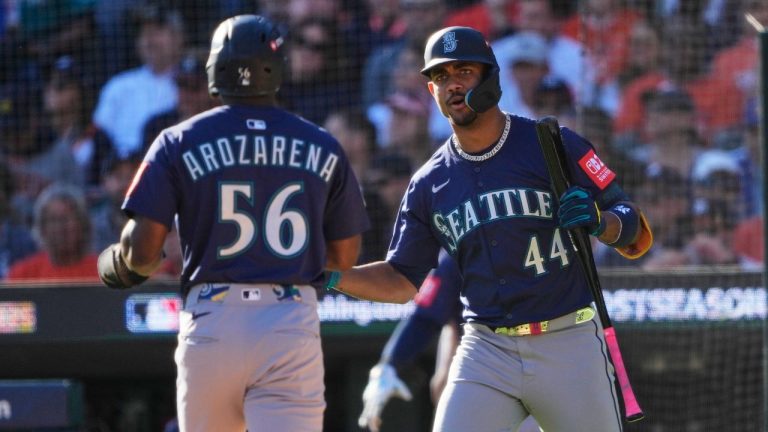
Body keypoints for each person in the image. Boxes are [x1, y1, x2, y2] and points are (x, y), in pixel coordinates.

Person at [318, 26, 653, 431]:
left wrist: (604, 222)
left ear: (491, 78)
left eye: (464, 72)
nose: (452, 84)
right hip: (486, 348)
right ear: (431, 93)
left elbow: (631, 223)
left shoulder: (550, 143)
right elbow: (402, 279)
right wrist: (331, 273)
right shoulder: (429, 183)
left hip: (568, 338)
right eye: (441, 77)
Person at [96, 15, 370, 432]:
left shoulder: (177, 140)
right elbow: (345, 256)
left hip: (214, 317)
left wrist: (117, 264)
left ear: (215, 69)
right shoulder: (323, 144)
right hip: (290, 318)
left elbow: (144, 254)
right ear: (276, 70)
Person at [93, 5, 185, 159]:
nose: (149, 40)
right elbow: (97, 137)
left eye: (157, 31)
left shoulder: (192, 86)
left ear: (179, 37)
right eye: (144, 33)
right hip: (121, 171)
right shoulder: (118, 86)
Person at [6, 183, 99, 282]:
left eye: (65, 219)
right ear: (42, 228)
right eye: (53, 220)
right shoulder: (22, 275)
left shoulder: (104, 273)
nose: (60, 227)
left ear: (83, 224)